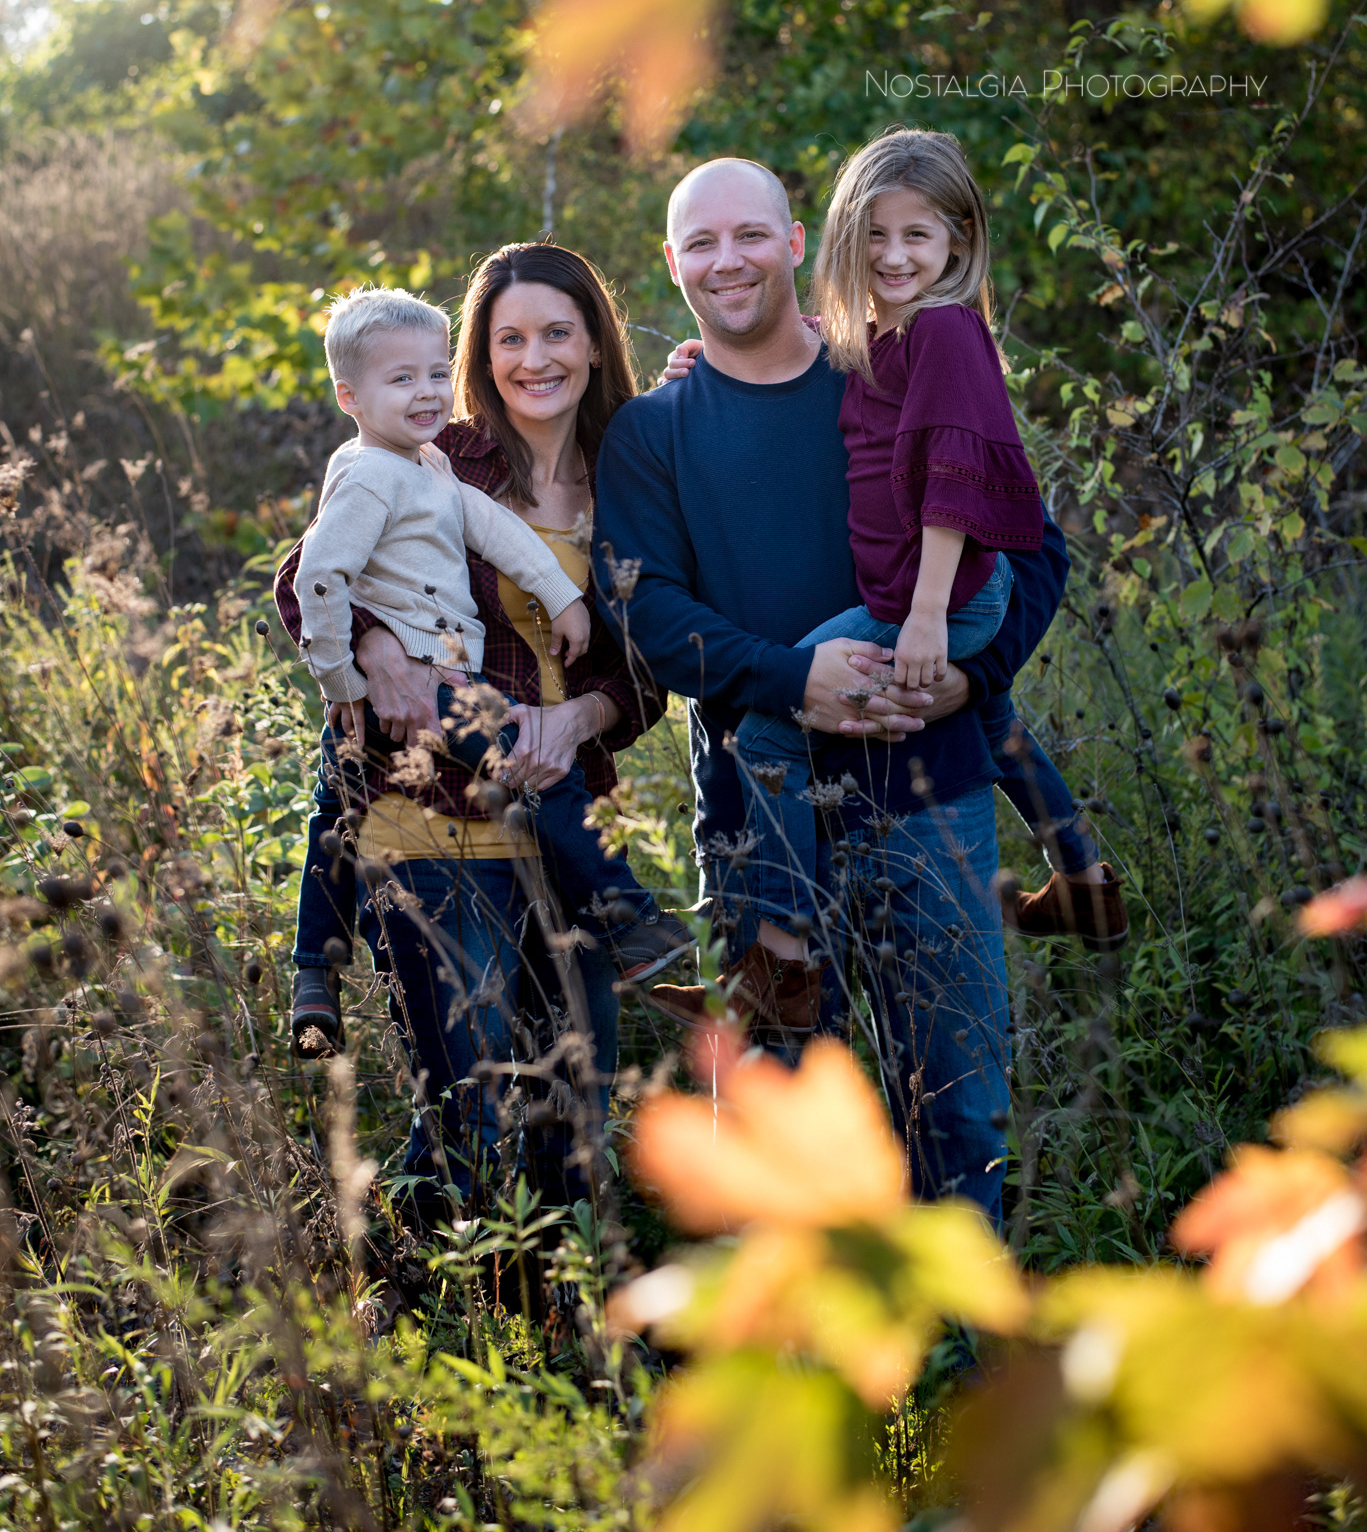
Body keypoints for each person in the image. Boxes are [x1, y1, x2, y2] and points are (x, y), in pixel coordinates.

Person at [591, 152, 1114, 1224]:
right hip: (756, 832)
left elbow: (1031, 545)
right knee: (776, 1141)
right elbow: (649, 621)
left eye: (750, 234)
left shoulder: (893, 363)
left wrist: (964, 676)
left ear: (794, 242)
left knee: (959, 1116)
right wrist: (797, 680)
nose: (726, 259)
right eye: (700, 241)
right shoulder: (653, 429)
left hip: (927, 795)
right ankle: (807, 1380)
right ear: (672, 262)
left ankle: (960, 1378)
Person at [663, 132, 1125, 973]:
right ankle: (1081, 875)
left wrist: (924, 619)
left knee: (770, 725)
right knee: (992, 715)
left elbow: (953, 482)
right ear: (842, 240)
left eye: (916, 235)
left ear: (958, 238)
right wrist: (724, 358)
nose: (892, 254)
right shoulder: (888, 340)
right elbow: (835, 355)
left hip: (934, 595)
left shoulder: (945, 332)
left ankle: (780, 955)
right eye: (873, 235)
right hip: (925, 596)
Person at [275, 244, 673, 1219]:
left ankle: (570, 1324)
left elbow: (659, 659)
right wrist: (372, 653)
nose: (532, 357)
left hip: (567, 815)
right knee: (469, 1111)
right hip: (434, 821)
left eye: (555, 333)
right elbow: (305, 575)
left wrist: (581, 712)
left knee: (571, 1108)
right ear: (480, 355)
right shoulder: (436, 452)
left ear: (593, 342)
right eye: (507, 338)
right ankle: (409, 1284)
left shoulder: (637, 473)